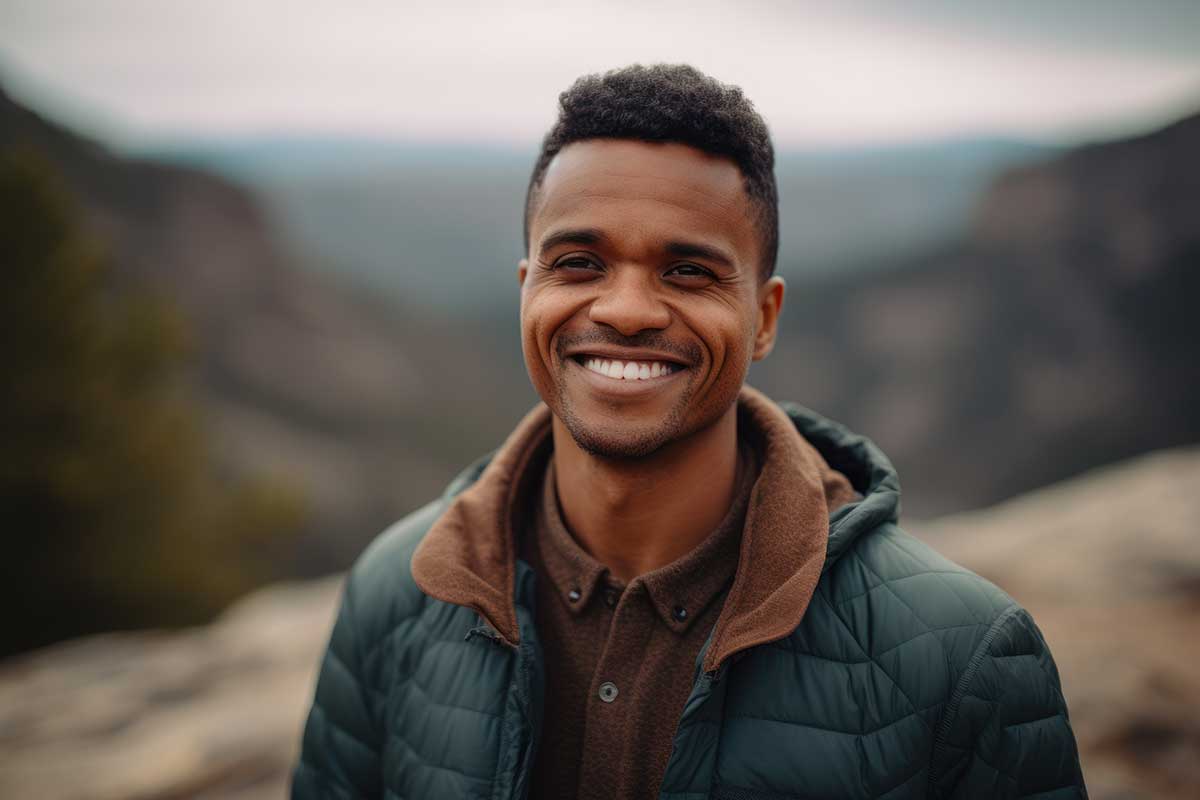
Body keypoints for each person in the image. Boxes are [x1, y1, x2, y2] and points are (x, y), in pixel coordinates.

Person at [291, 64, 1086, 800]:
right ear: (526, 288)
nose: (626, 310)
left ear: (764, 318)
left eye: (689, 271)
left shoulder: (966, 656)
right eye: (578, 262)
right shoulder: (394, 594)